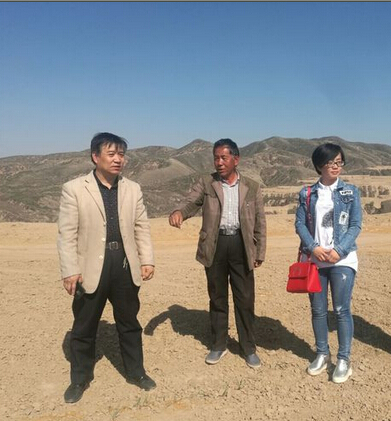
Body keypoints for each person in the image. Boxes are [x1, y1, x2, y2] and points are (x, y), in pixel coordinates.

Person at [57, 132, 156, 403]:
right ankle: (80, 378)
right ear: (95, 157)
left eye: (121, 154)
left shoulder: (132, 189)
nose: (117, 159)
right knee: (84, 326)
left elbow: (141, 227)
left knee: (129, 322)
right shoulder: (74, 189)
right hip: (90, 266)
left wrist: (147, 259)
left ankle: (136, 372)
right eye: (111, 154)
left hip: (123, 263)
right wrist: (70, 270)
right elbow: (67, 234)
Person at [168, 138, 266, 368]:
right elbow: (191, 202)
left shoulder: (252, 186)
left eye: (224, 157)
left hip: (242, 245)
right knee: (217, 297)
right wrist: (179, 212)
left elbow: (260, 221)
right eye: (216, 158)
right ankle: (218, 345)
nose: (219, 162)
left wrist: (259, 251)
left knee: (245, 299)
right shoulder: (207, 183)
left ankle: (248, 347)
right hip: (215, 245)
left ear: (236, 159)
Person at [295, 143, 362, 383]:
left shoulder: (351, 192)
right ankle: (322, 353)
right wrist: (313, 247)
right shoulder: (307, 193)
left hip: (343, 259)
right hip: (316, 260)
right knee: (318, 309)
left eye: (339, 162)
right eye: (331, 162)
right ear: (319, 165)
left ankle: (343, 359)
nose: (336, 166)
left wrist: (339, 250)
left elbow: (355, 224)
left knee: (341, 309)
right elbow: (300, 224)